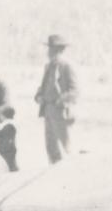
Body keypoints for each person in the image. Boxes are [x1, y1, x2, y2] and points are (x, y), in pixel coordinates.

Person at [34, 33, 79, 164]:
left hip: (62, 113)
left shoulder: (67, 66)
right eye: (50, 49)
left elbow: (75, 91)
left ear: (61, 50)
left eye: (53, 49)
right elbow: (43, 86)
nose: (49, 52)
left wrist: (60, 101)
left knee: (67, 149)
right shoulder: (48, 66)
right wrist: (38, 96)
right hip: (48, 111)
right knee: (51, 149)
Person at [0, 106, 19, 172]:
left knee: (8, 164)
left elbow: (1, 134)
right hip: (8, 148)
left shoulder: (8, 125)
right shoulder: (9, 124)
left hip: (6, 149)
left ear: (4, 116)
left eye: (0, 115)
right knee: (10, 163)